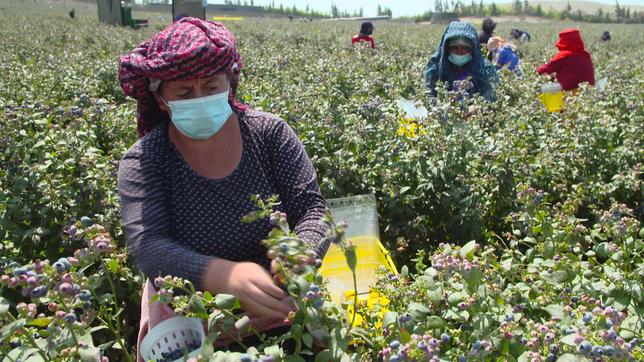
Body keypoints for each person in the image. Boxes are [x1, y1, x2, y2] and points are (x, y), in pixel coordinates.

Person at [117, 17, 329, 359]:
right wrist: (223, 275)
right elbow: (150, 248)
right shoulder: (146, 160)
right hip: (189, 323)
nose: (200, 98)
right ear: (160, 99)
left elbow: (313, 211)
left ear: (229, 83)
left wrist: (300, 256)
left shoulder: (269, 135)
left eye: (211, 87)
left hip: (277, 307)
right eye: (184, 93)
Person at [425, 22, 499, 102]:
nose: (459, 52)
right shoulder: (435, 68)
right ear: (446, 48)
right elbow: (428, 93)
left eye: (465, 48)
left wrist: (476, 107)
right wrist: (440, 105)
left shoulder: (485, 68)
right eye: (454, 48)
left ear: (473, 49)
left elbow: (492, 91)